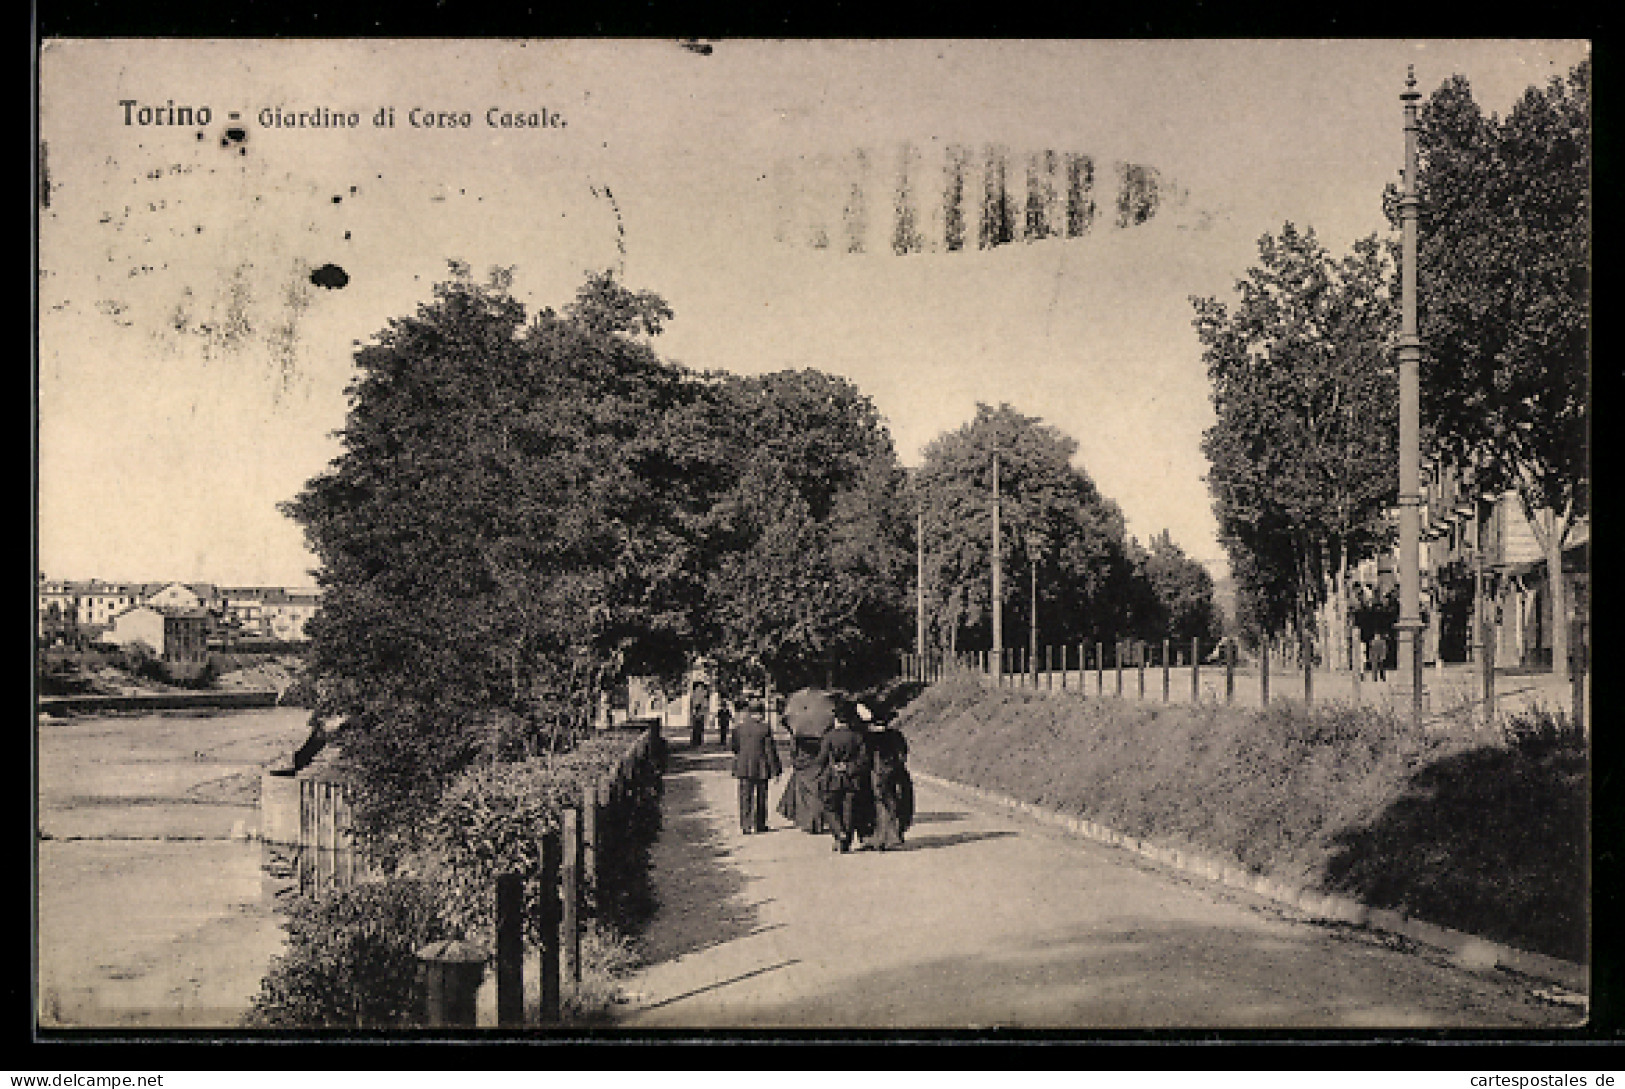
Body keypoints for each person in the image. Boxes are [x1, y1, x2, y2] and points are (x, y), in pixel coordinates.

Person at [814, 698, 872, 853]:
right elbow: (864, 760)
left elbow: (821, 759)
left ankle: (839, 833)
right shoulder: (857, 737)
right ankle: (845, 842)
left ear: (836, 719)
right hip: (852, 779)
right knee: (849, 810)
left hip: (832, 778)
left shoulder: (829, 737)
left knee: (830, 808)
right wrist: (848, 767)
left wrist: (820, 772)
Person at [777, 688, 835, 833]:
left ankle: (808, 821)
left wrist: (795, 760)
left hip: (803, 765)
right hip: (818, 765)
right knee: (818, 793)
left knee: (804, 795)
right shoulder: (823, 731)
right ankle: (818, 822)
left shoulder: (798, 732)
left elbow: (793, 750)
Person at [857, 702, 913, 851]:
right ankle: (893, 835)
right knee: (895, 802)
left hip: (873, 774)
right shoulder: (895, 735)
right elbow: (903, 754)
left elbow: (863, 758)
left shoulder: (867, 737)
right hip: (895, 773)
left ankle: (876, 837)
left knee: (872, 804)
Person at [729, 696, 782, 835]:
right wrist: (776, 770)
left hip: (743, 766)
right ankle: (760, 823)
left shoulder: (738, 728)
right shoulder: (765, 728)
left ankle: (745, 825)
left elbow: (734, 747)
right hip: (761, 766)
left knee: (745, 796)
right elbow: (770, 750)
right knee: (761, 796)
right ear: (761, 712)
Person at [688, 682, 709, 750]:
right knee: (696, 729)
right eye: (699, 687)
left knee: (700, 729)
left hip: (701, 714)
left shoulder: (703, 696)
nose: (700, 689)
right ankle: (695, 742)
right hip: (696, 715)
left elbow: (705, 706)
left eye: (701, 687)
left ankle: (699, 742)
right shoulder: (694, 696)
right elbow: (693, 706)